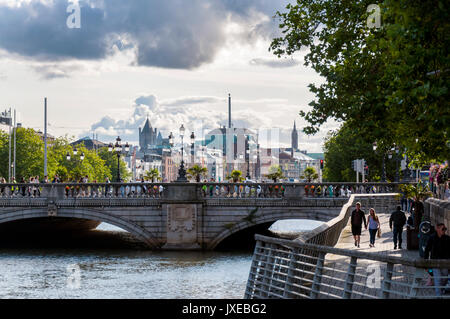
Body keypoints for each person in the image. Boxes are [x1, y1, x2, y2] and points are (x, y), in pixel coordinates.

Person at [424, 223, 450, 296]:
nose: (444, 230)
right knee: (438, 279)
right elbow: (427, 250)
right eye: (443, 229)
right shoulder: (432, 238)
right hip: (434, 262)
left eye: (445, 229)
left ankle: (441, 290)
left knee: (444, 278)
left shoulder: (447, 238)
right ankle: (439, 295)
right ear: (437, 229)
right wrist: (425, 263)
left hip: (445, 262)